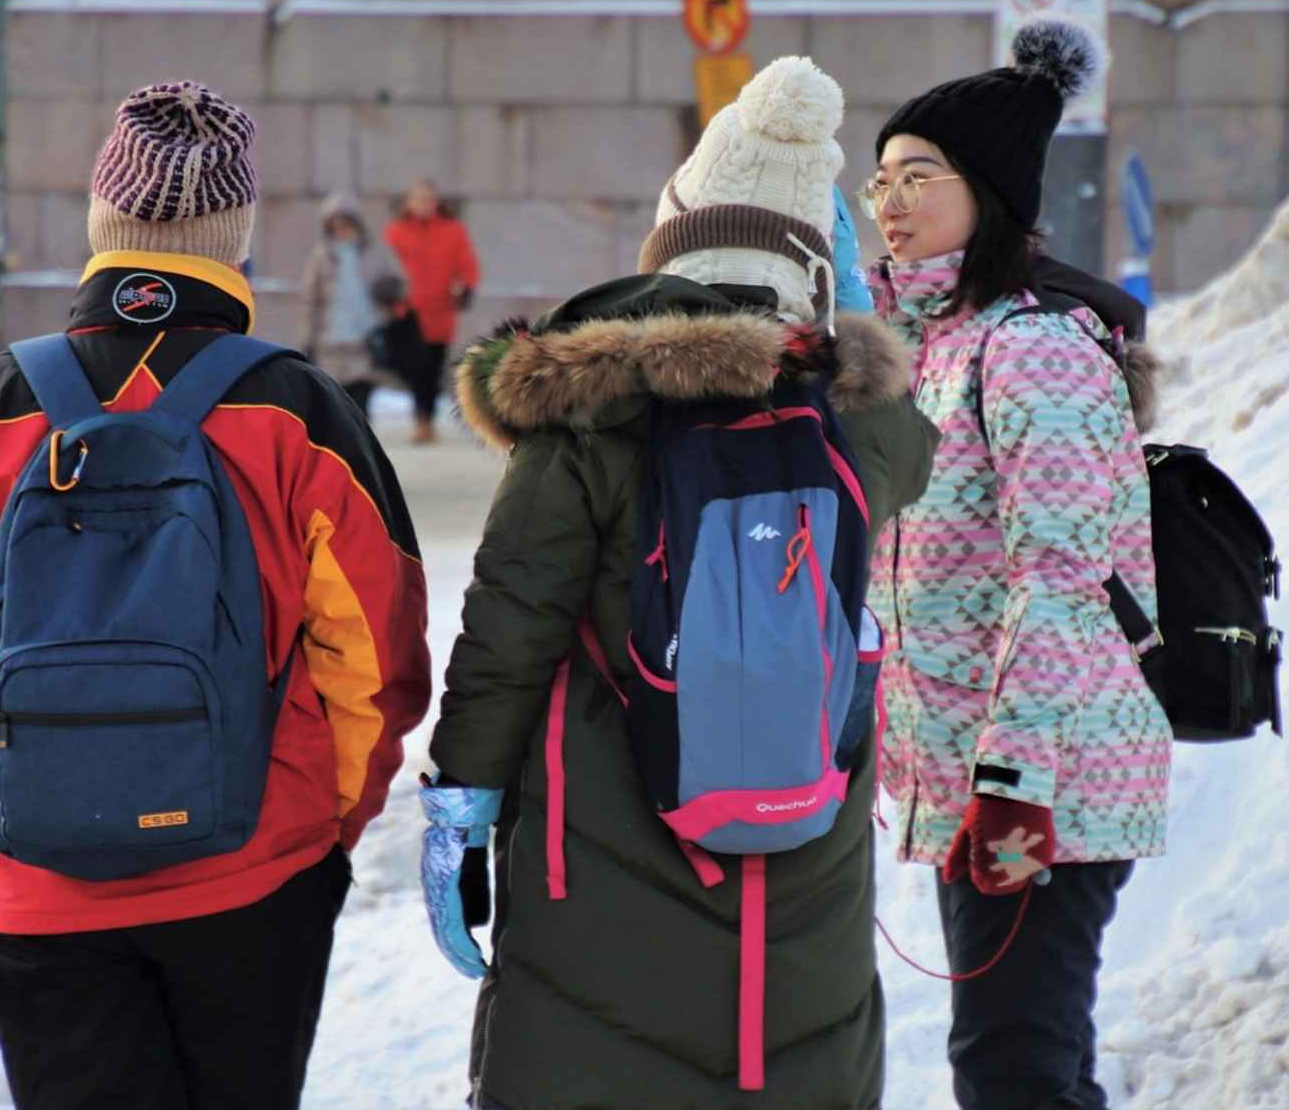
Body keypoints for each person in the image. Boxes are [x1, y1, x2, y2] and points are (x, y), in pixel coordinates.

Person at [0, 80, 431, 1110]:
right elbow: (377, 658)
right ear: (233, 242)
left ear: (104, 223)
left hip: (41, 873)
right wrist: (329, 822)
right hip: (252, 869)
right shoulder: (297, 406)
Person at [422, 57, 936, 1109]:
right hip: (805, 875)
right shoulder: (860, 427)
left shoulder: (588, 415)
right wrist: (835, 312)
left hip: (603, 867)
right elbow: (911, 432)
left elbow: (510, 626)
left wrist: (460, 807)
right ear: (810, 265)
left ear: (672, 249)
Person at [862, 17, 1169, 1110]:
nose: (889, 201)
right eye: (880, 179)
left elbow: (1062, 581)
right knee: (1020, 1065)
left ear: (986, 189)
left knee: (1014, 1075)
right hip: (981, 781)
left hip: (1047, 780)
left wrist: (1012, 786)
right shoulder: (940, 346)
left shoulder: (1031, 347)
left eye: (918, 175)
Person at [381, 177, 479, 444]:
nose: (423, 204)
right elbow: (383, 266)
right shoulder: (396, 232)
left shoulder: (453, 230)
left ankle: (426, 421)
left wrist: (465, 288)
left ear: (436, 203)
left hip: (440, 313)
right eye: (418, 199)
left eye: (428, 199)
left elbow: (467, 266)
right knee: (416, 367)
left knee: (432, 369)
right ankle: (421, 420)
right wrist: (388, 296)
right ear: (409, 202)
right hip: (407, 312)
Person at [301, 191, 404, 417]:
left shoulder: (375, 253)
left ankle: (360, 449)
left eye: (346, 224)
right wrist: (308, 339)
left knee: (360, 407)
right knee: (335, 409)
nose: (341, 231)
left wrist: (389, 290)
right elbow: (311, 301)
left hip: (365, 340)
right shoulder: (321, 257)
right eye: (335, 226)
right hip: (330, 343)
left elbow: (397, 282)